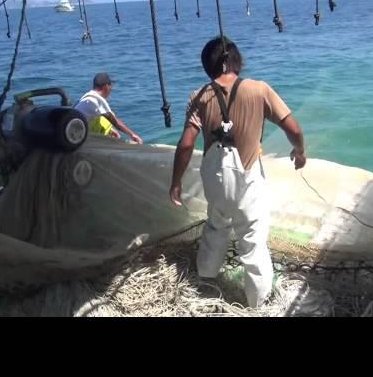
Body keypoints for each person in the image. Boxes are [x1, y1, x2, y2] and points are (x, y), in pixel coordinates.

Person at [169, 36, 306, 308]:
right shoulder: (259, 90)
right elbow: (294, 129)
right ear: (237, 62)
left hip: (215, 179)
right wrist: (299, 151)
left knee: (216, 227)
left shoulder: (198, 97)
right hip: (247, 179)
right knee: (253, 242)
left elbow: (186, 145)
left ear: (208, 67)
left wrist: (176, 182)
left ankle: (206, 284)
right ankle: (258, 304)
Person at [74, 72, 143, 144]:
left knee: (103, 117)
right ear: (106, 86)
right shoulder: (97, 100)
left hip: (75, 130)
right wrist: (132, 135)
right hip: (78, 137)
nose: (111, 88)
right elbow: (114, 121)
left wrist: (110, 130)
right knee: (109, 117)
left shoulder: (87, 96)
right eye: (110, 85)